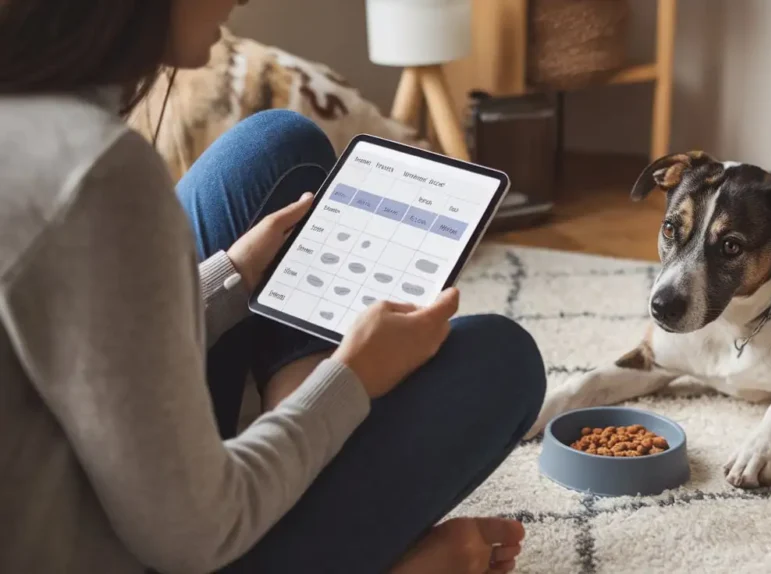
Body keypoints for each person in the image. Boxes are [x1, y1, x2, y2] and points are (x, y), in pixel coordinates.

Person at [0, 1, 546, 572]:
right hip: (152, 546)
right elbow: (196, 536)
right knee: (500, 360)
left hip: (93, 483)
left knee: (274, 147)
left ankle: (295, 438)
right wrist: (351, 377)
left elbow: (79, 338)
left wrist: (230, 276)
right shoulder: (98, 177)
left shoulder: (38, 126)